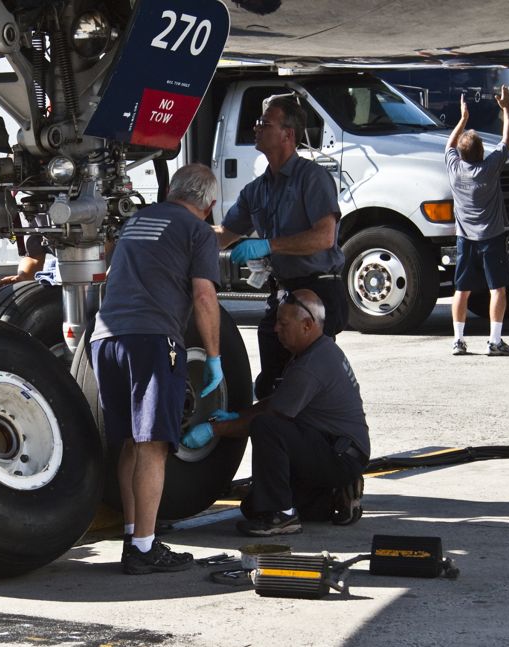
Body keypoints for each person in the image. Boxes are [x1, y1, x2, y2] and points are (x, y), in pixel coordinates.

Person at [90, 163, 223, 575]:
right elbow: (203, 296)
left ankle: (135, 534)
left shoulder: (135, 222)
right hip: (151, 340)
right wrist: (214, 357)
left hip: (104, 339)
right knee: (154, 445)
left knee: (131, 441)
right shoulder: (197, 231)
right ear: (210, 203)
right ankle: (145, 549)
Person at [182, 289, 369, 536]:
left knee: (266, 427)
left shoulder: (311, 365)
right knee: (253, 506)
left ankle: (282, 515)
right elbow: (277, 402)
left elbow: (272, 419)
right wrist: (238, 415)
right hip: (333, 446)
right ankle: (333, 496)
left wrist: (213, 429)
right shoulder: (317, 350)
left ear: (307, 325)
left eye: (283, 324)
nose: (276, 330)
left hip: (339, 454)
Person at [215, 94, 348, 399]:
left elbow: (324, 237)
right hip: (285, 292)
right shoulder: (257, 190)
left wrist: (267, 245)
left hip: (318, 291)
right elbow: (224, 234)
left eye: (265, 123)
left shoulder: (312, 178)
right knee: (272, 381)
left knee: (306, 385)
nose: (256, 127)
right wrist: (179, 230)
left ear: (288, 134)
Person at [446, 86, 509, 356]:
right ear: (481, 152)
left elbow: (449, 145)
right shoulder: (490, 168)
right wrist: (506, 109)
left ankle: (458, 341)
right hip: (491, 238)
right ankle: (495, 341)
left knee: (461, 290)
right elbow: (507, 139)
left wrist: (462, 119)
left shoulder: (454, 169)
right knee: (497, 289)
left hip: (465, 239)